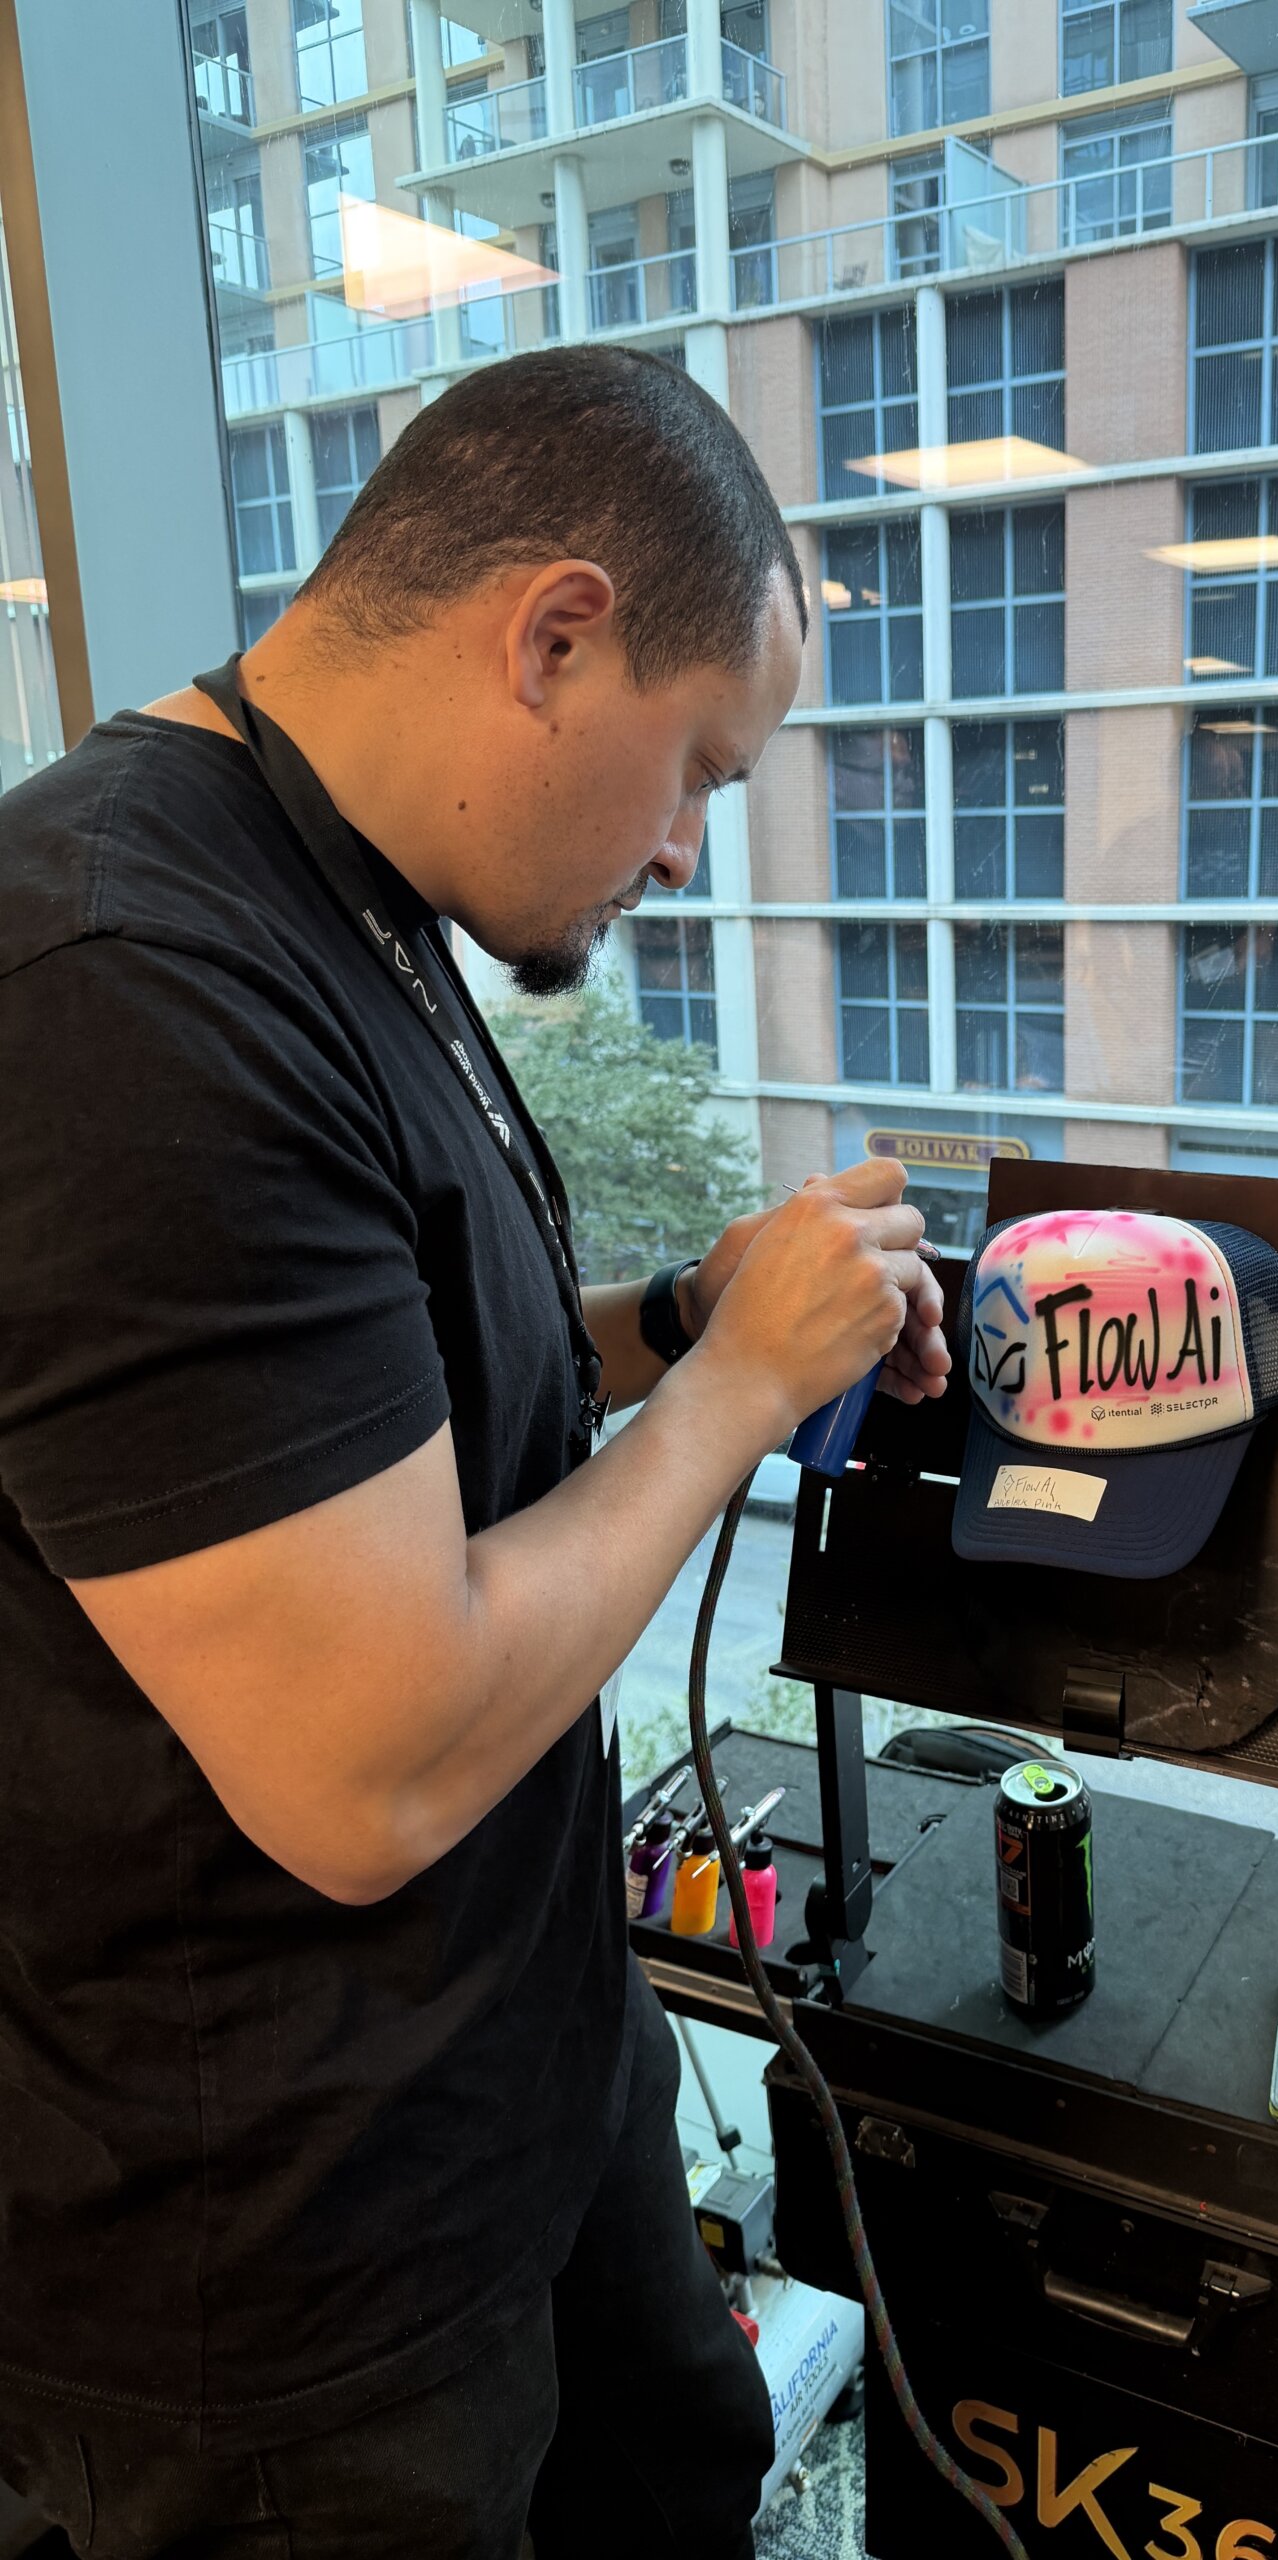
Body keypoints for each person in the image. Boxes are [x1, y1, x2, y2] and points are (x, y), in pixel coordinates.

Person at [0, 346, 949, 2559]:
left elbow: (386, 1402)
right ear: (552, 634)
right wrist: (729, 1403)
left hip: (514, 2077)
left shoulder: (337, 902)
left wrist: (674, 1326)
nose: (686, 845)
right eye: (695, 764)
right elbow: (373, 1765)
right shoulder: (125, 984)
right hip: (278, 2270)